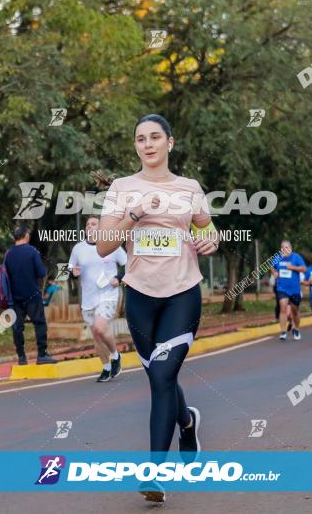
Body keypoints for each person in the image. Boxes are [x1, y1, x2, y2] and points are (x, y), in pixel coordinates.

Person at [96, 114, 219, 504]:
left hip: (183, 291)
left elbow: (206, 228)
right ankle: (187, 421)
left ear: (170, 142)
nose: (147, 144)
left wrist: (210, 241)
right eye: (140, 139)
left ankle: (153, 472)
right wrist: (134, 214)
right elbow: (102, 246)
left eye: (154, 137)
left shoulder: (189, 188)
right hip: (140, 295)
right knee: (159, 380)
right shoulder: (121, 188)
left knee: (164, 376)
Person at [69, 215, 127, 383]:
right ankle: (106, 367)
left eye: (94, 224)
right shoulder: (78, 249)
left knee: (100, 328)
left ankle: (115, 356)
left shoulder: (111, 245)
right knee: (96, 334)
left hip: (108, 294)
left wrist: (119, 278)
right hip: (88, 299)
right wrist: (73, 273)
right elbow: (70, 269)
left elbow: (127, 264)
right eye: (87, 224)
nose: (89, 226)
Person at [3, 225, 58, 365]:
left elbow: (5, 275)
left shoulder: (8, 254)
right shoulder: (32, 251)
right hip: (32, 295)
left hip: (15, 298)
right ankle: (42, 355)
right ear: (26, 235)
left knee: (17, 327)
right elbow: (41, 272)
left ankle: (21, 357)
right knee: (39, 323)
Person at [271, 240, 307, 341]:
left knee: (295, 311)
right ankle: (283, 332)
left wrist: (293, 267)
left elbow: (304, 269)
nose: (285, 249)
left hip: (295, 289)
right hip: (282, 288)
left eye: (287, 247)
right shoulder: (278, 258)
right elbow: (272, 267)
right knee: (283, 307)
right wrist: (274, 272)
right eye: (283, 247)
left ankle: (296, 328)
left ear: (290, 248)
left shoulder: (296, 257)